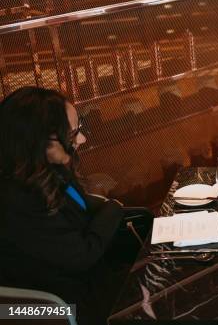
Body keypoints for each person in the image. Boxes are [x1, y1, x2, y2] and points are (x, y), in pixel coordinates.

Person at [0, 87, 125, 325]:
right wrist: (115, 207)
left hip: (79, 285)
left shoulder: (48, 172)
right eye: (73, 134)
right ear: (39, 141)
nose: (82, 140)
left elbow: (81, 207)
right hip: (53, 311)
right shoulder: (15, 202)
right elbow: (82, 255)